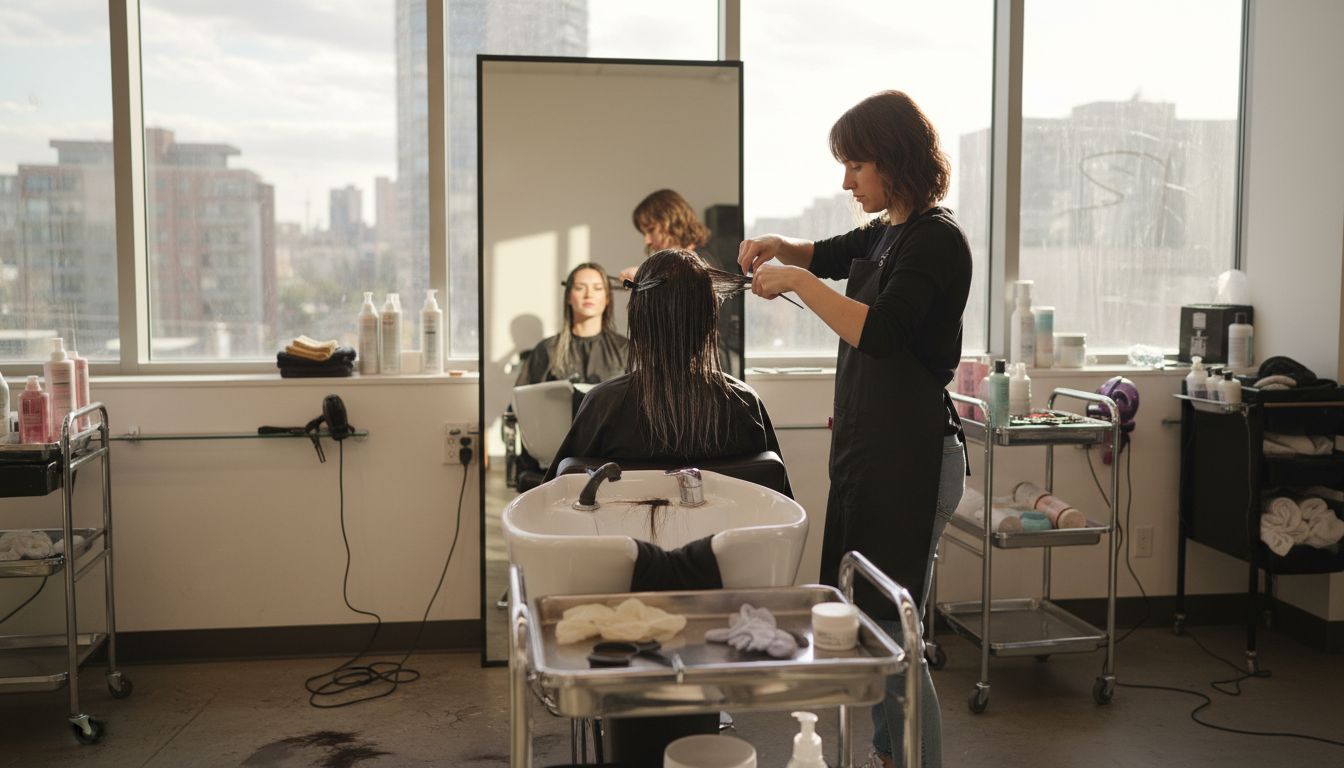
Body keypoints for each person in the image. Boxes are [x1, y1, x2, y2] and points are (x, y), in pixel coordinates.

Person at [739, 90, 971, 768]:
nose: (846, 182)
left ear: (893, 161)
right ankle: (886, 754)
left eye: (856, 166)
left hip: (917, 459)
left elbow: (879, 331)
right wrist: (784, 249)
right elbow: (829, 251)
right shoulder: (891, 230)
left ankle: (911, 760)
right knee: (870, 625)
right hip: (877, 453)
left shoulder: (935, 240)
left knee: (895, 635)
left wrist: (796, 284)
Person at [544, 248, 788, 495]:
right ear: (709, 319)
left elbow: (552, 499)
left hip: (620, 534)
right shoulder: (743, 402)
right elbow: (778, 504)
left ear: (639, 320)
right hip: (723, 533)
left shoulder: (604, 404)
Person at [515, 262, 628, 387]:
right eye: (580, 288)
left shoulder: (625, 349)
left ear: (607, 298)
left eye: (597, 288)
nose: (588, 295)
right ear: (568, 296)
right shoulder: (548, 350)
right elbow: (523, 401)